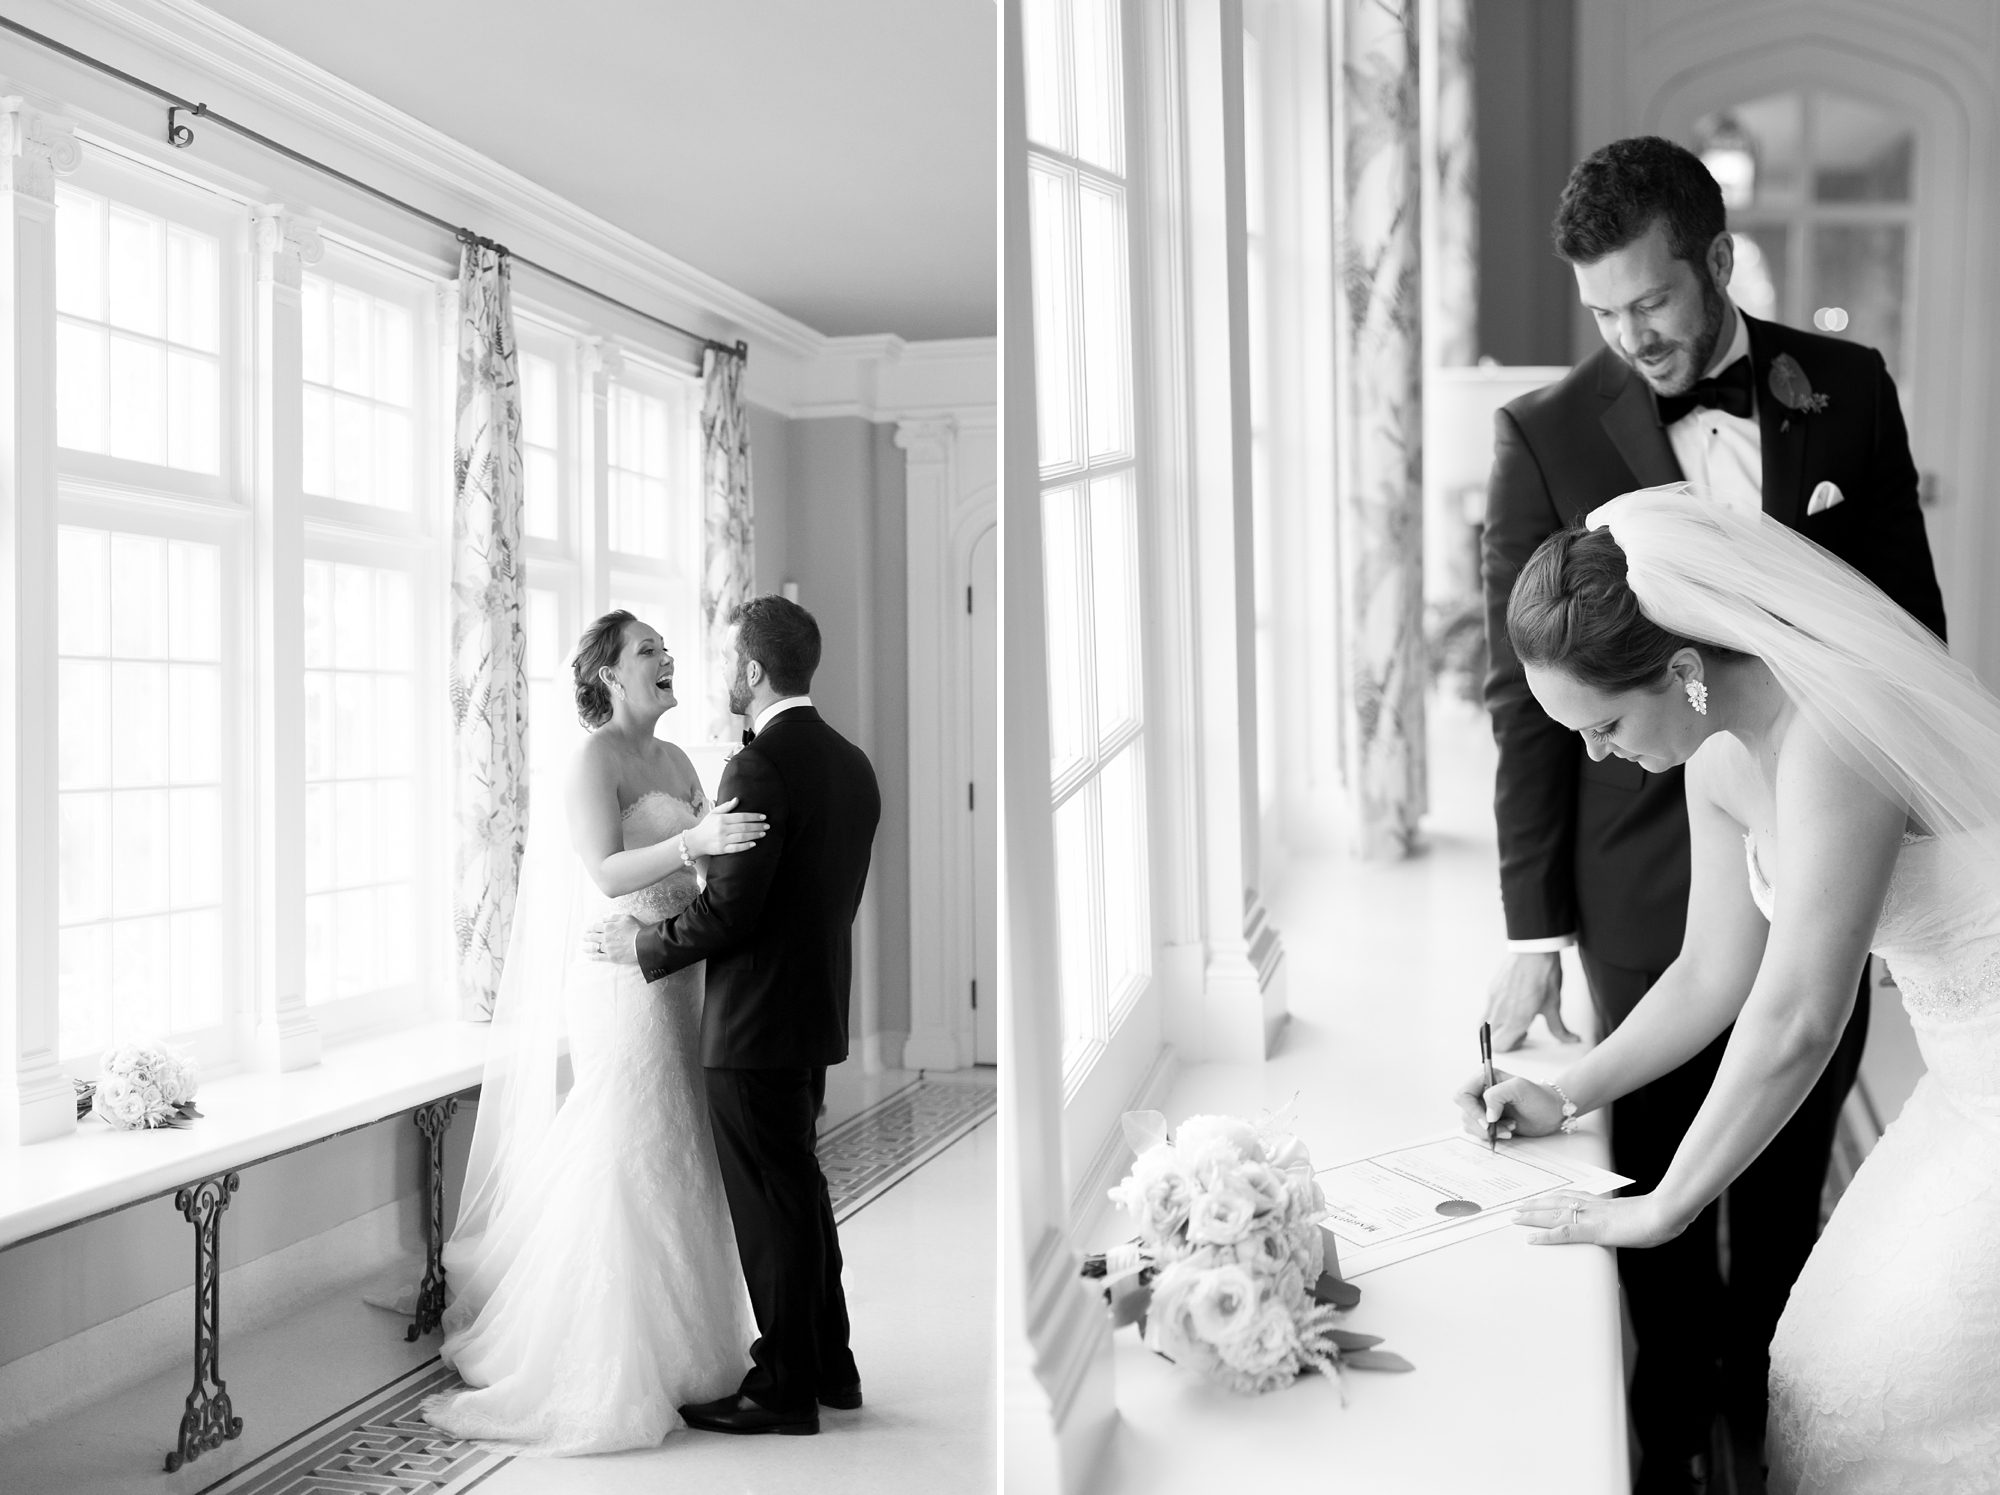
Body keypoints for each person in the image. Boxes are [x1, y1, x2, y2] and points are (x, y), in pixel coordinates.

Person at [1479, 134, 1945, 1489]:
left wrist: (1866, 842)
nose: (1632, 337)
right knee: (1668, 1206)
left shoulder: (1841, 388)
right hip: (1666, 878)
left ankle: (1764, 1408)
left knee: (1787, 1194)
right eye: (1604, 315)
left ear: (1718, 264)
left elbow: (1909, 621)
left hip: (1850, 838)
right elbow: (1540, 709)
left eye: (1653, 303)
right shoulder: (1551, 436)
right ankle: (1676, 1441)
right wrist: (1552, 1009)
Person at [1460, 486, 2000, 1493]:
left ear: (1679, 669)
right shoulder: (1716, 762)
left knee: (1889, 1381)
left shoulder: (1833, 736)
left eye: (1604, 721)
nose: (1596, 753)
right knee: (1822, 1359)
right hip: (1965, 1084)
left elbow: (1799, 1013)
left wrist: (1664, 1205)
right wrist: (1566, 1089)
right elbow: (1709, 973)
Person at [420, 611, 768, 1454]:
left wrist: (714, 860)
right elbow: (606, 870)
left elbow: (704, 863)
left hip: (685, 972)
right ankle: (610, 1352)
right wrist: (693, 837)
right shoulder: (592, 760)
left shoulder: (682, 759)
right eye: (647, 649)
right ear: (609, 676)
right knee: (630, 1141)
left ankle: (700, 1347)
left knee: (687, 1140)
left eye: (664, 647)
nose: (665, 657)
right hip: (621, 980)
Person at [587, 595, 881, 1438]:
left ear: (752, 670)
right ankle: (832, 1364)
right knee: (800, 1190)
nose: (717, 672)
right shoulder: (852, 762)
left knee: (771, 1204)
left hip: (752, 1020)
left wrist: (644, 947)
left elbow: (733, 915)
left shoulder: (758, 768)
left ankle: (784, 1386)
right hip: (814, 1005)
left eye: (726, 659)